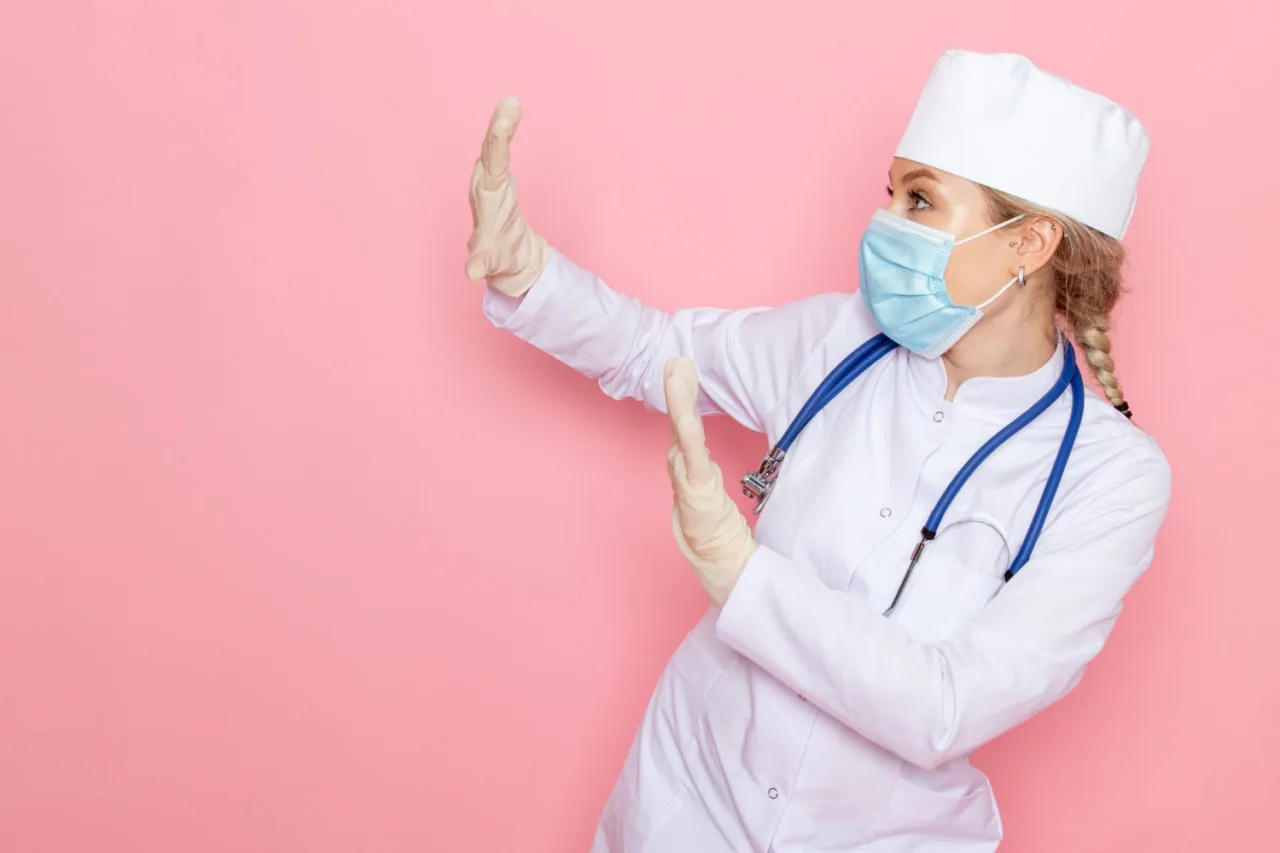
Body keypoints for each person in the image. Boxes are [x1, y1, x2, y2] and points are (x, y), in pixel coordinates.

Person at [463, 49, 1171, 852]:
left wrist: (742, 575)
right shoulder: (839, 342)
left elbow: (947, 707)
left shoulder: (1109, 479)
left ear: (1030, 243)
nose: (886, 223)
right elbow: (655, 349)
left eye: (920, 200)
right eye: (892, 193)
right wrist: (528, 272)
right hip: (691, 794)